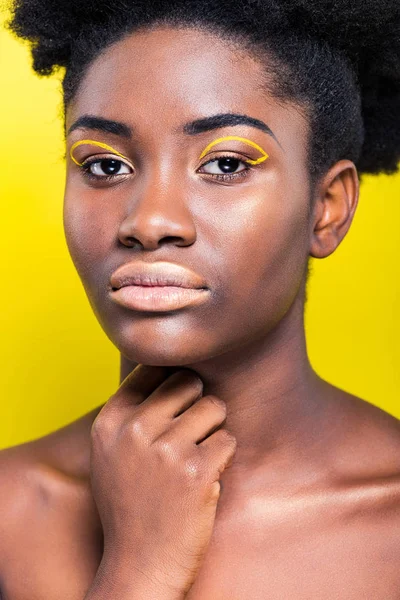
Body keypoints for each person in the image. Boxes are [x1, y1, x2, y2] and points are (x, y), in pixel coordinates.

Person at [1, 0, 400, 597]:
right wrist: (137, 571)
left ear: (328, 207)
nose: (150, 220)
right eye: (106, 165)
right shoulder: (10, 511)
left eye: (226, 163)